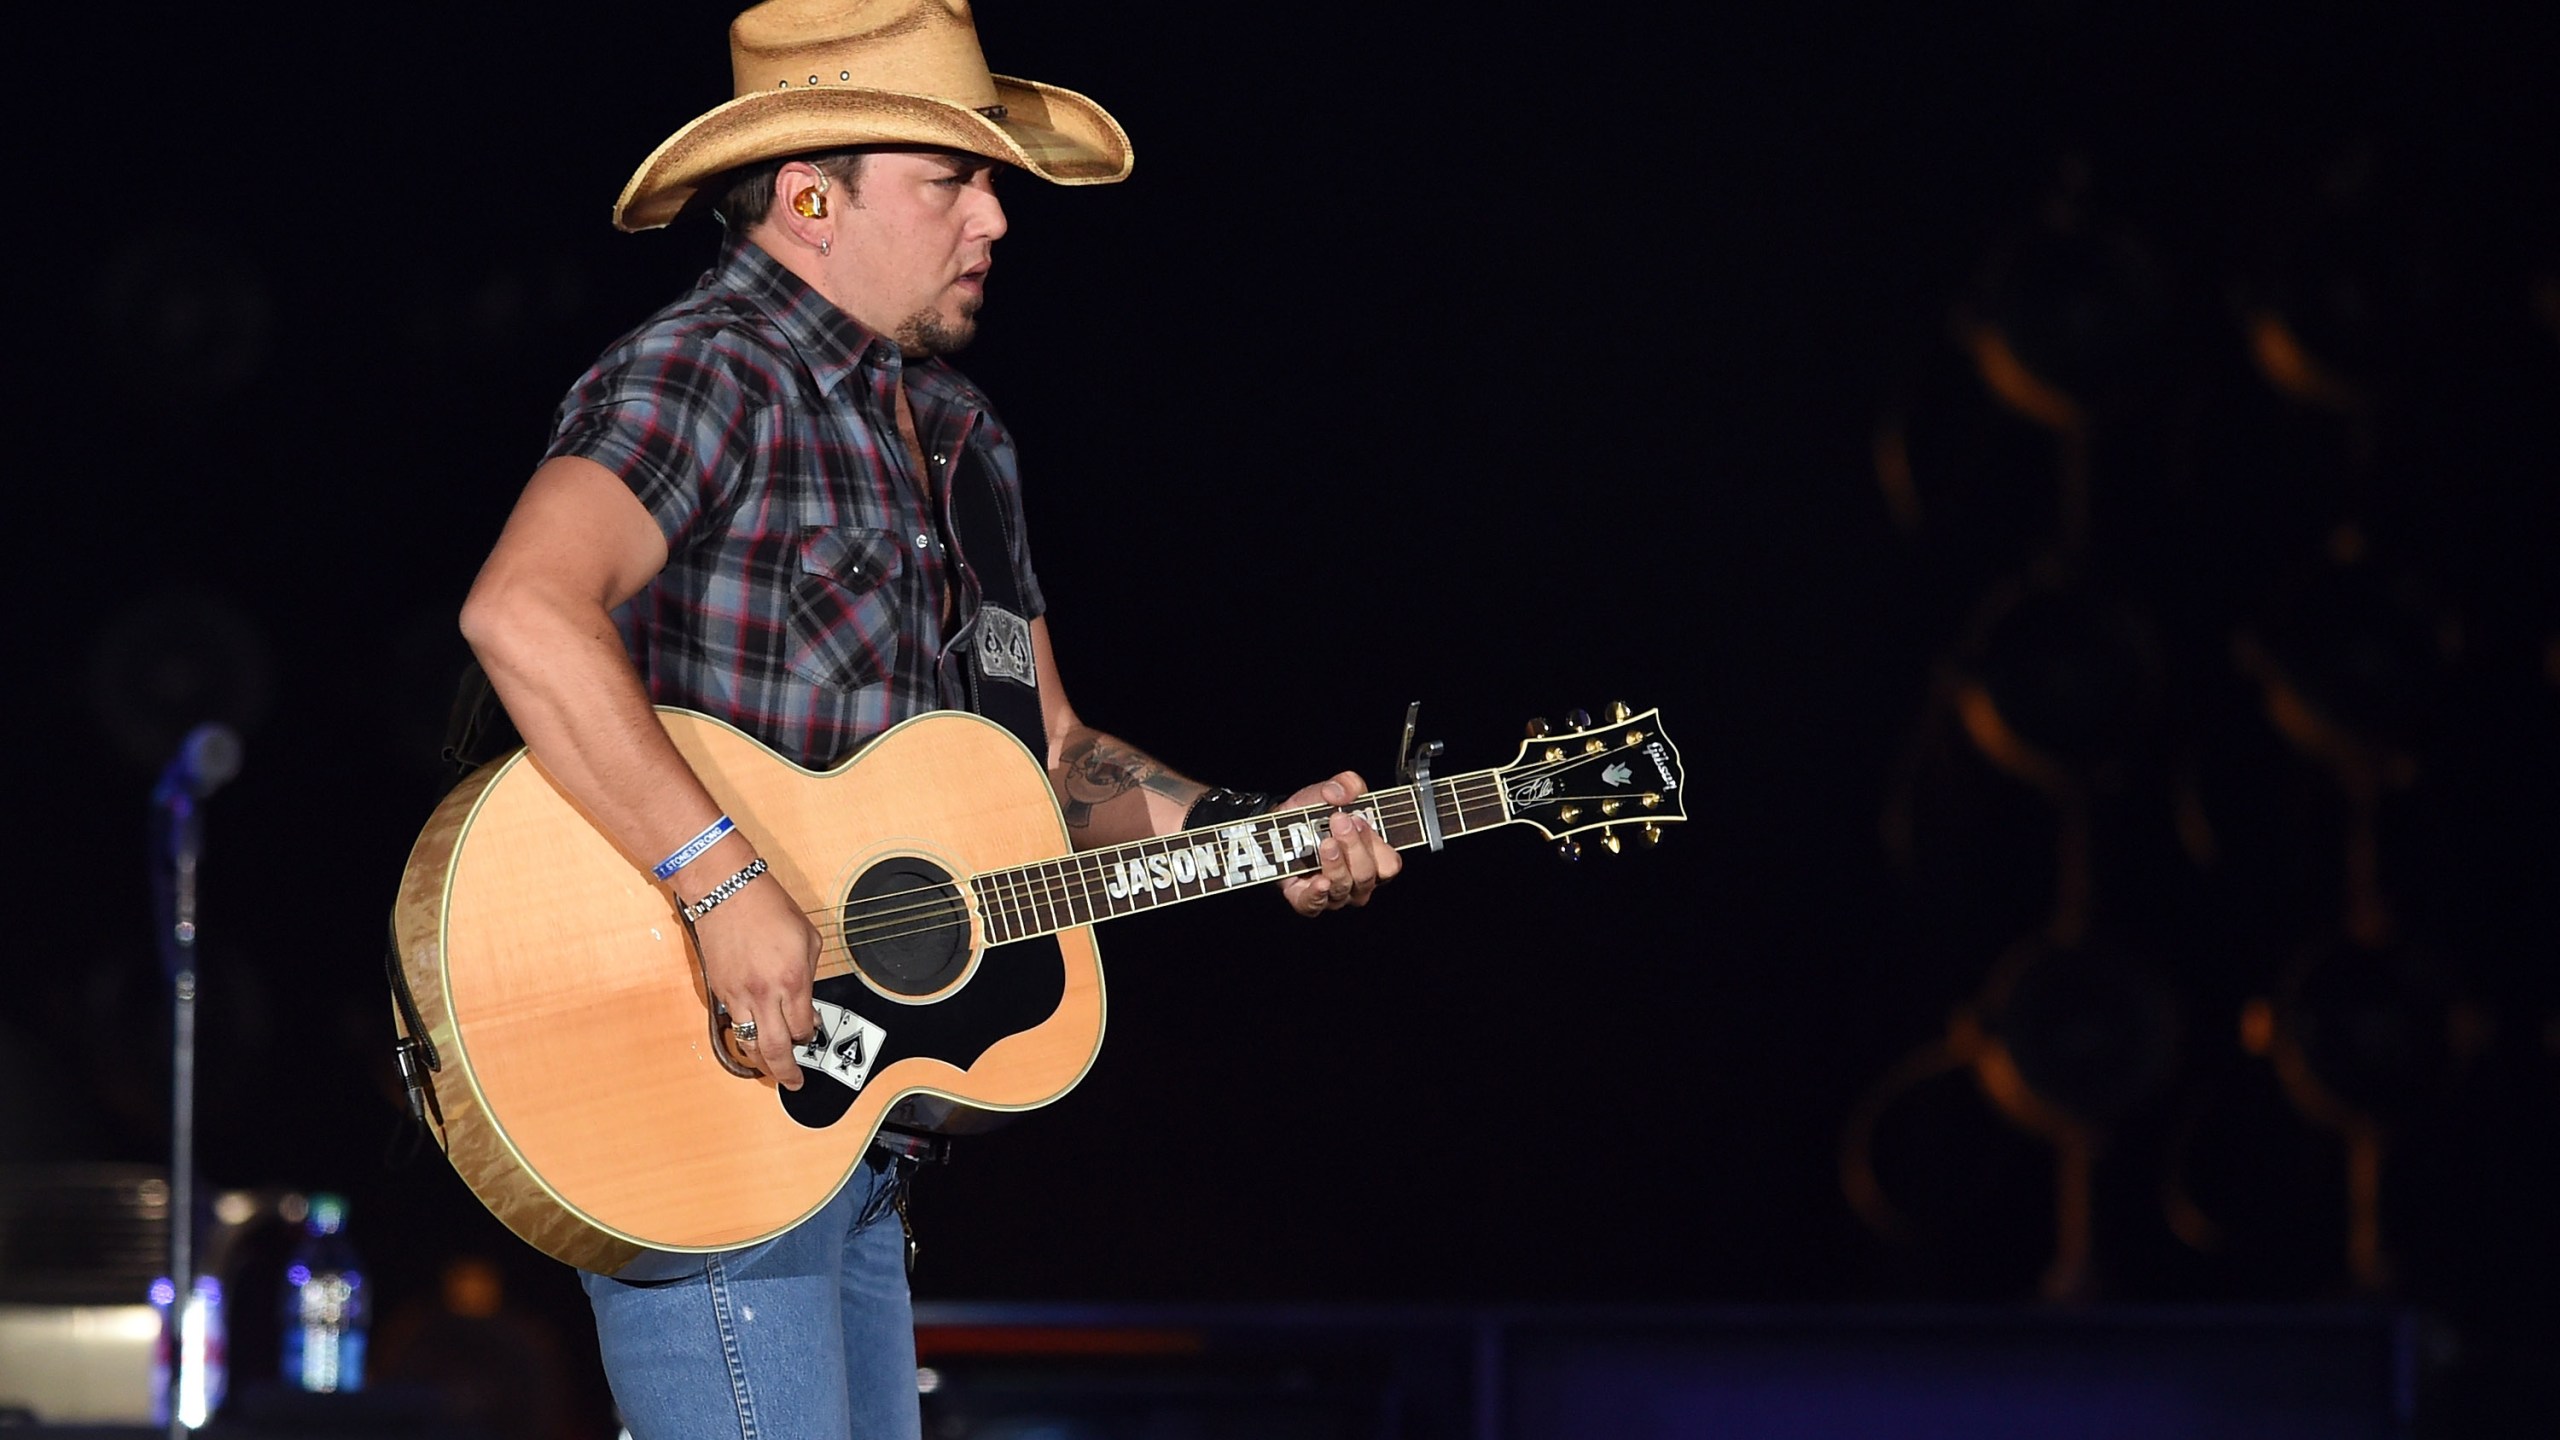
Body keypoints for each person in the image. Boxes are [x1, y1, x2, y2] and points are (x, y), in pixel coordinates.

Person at [454, 1, 1401, 1435]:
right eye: (951, 179)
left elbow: (1055, 757)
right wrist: (718, 879)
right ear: (810, 197)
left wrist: (1245, 833)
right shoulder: (710, 372)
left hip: (853, 1135)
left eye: (992, 179)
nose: (996, 217)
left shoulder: (963, 439)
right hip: (703, 1092)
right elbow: (522, 609)